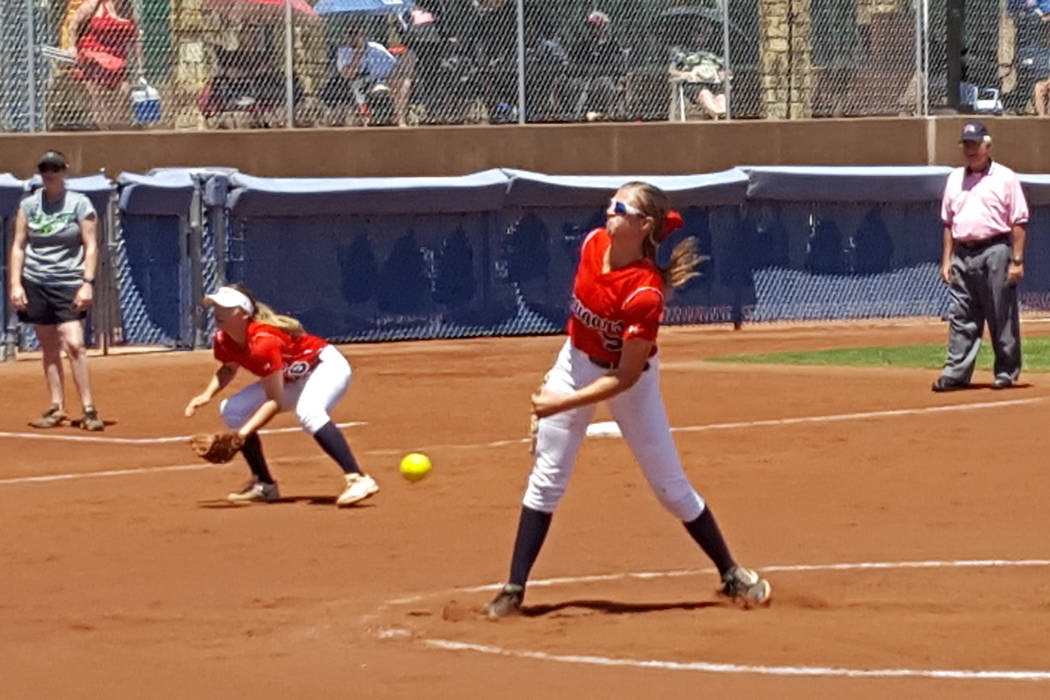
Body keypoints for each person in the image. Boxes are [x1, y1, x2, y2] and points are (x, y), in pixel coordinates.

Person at [483, 182, 772, 618]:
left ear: (643, 226)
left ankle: (731, 571)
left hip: (630, 382)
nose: (609, 210)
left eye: (620, 207)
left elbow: (625, 375)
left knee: (671, 489)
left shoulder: (644, 294)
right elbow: (580, 326)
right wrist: (557, 385)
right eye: (611, 202)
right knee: (547, 478)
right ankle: (513, 589)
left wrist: (556, 406)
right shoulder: (592, 243)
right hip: (575, 359)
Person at [184, 285, 379, 506]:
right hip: (291, 377)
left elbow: (274, 401)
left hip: (324, 368)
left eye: (227, 307)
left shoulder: (263, 342)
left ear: (244, 314)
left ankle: (358, 478)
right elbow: (229, 367)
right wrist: (207, 394)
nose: (219, 312)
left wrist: (240, 436)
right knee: (233, 410)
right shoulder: (222, 338)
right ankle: (264, 485)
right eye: (216, 306)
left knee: (309, 412)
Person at [8, 151, 105, 432]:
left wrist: (87, 282)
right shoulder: (28, 206)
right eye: (45, 168)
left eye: (55, 168)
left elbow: (91, 245)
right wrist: (16, 284)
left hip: (68, 282)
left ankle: (88, 408)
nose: (49, 173)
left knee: (74, 343)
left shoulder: (79, 204)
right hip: (36, 281)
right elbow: (18, 246)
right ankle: (56, 406)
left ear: (64, 171)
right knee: (49, 346)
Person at [933, 120, 1029, 392]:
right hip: (963, 252)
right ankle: (956, 373)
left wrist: (1017, 261)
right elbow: (949, 223)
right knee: (961, 315)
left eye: (975, 143)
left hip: (996, 250)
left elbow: (1019, 222)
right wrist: (946, 259)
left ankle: (1007, 371)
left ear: (987, 146)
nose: (970, 149)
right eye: (966, 144)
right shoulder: (954, 179)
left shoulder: (1005, 177)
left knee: (1001, 313)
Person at [70, 0, 143, 129]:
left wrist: (140, 65)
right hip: (93, 53)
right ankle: (101, 128)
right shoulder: (95, 5)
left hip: (117, 58)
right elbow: (74, 23)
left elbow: (136, 39)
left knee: (124, 90)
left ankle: (112, 126)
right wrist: (72, 46)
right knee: (97, 94)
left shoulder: (129, 10)